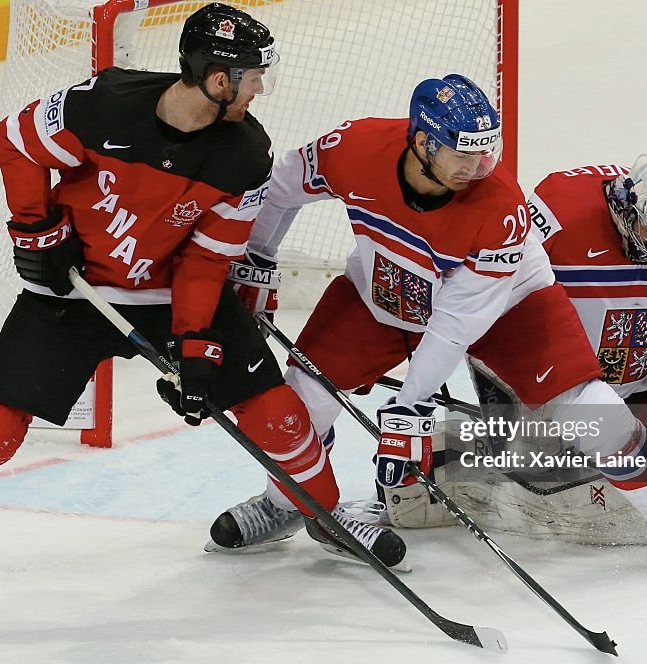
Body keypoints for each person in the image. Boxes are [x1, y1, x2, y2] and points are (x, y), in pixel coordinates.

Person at [0, 2, 405, 584]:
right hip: (76, 293)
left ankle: (323, 512)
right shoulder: (103, 104)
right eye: (254, 75)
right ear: (219, 79)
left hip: (174, 295)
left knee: (274, 412)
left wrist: (195, 343)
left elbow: (205, 259)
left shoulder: (245, 152)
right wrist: (35, 227)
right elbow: (16, 142)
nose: (262, 88)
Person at [210, 74, 620, 559]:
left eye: (485, 151)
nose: (480, 167)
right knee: (304, 396)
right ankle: (290, 504)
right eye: (465, 152)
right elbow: (281, 186)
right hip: (379, 299)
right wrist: (255, 258)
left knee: (574, 399)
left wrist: (408, 409)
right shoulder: (355, 146)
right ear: (424, 142)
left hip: (477, 310)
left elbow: (457, 323)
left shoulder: (498, 206)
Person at [390, 155, 647, 567]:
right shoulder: (557, 213)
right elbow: (486, 296)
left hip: (636, 385)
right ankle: (447, 467)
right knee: (588, 507)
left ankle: (638, 464)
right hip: (549, 379)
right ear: (630, 204)